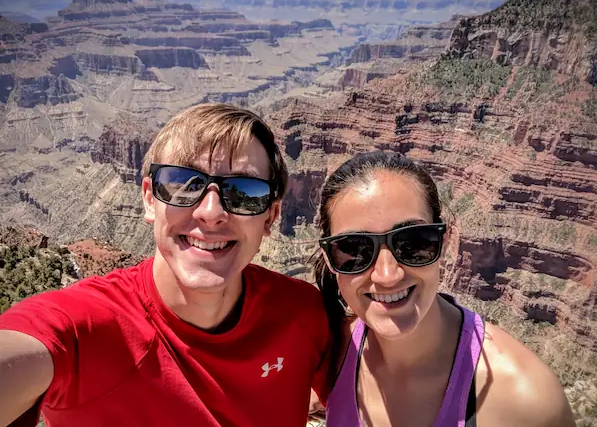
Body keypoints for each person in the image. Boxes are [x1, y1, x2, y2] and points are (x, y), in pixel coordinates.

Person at [0, 103, 330, 427]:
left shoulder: (304, 314)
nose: (211, 212)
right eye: (184, 184)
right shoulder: (84, 328)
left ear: (270, 216)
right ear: (148, 199)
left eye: (243, 191)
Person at [313, 151, 575, 427]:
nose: (387, 275)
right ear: (330, 258)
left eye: (413, 242)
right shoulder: (328, 352)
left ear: (446, 240)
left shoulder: (525, 401)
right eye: (354, 249)